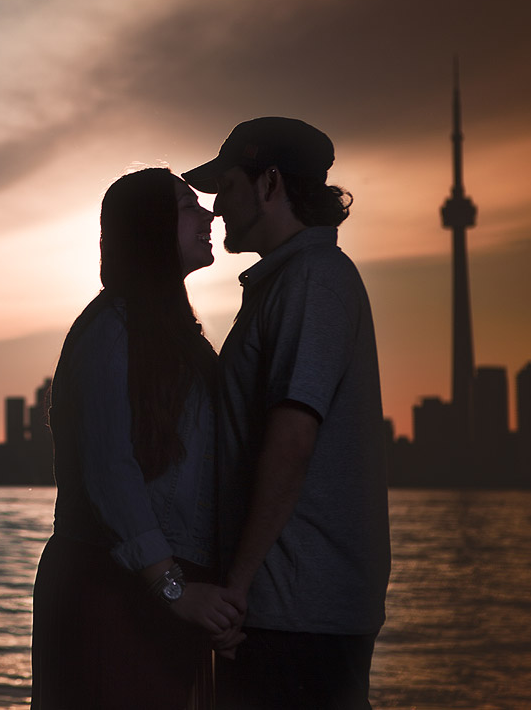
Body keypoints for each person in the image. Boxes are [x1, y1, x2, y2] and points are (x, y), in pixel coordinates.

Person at [183, 118, 391, 709]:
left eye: (226, 185)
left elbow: (293, 437)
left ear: (269, 183)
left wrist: (237, 586)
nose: (217, 206)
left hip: (297, 609)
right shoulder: (286, 282)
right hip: (287, 606)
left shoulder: (312, 279)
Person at [32, 167, 245, 710]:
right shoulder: (112, 330)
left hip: (159, 594)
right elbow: (111, 468)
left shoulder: (177, 338)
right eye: (187, 206)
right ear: (151, 227)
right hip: (111, 595)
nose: (209, 214)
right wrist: (170, 586)